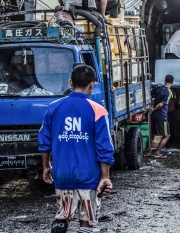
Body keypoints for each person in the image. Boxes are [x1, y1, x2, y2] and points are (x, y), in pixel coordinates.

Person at [38, 65, 114, 233]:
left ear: (70, 82)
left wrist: (46, 166)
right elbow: (104, 148)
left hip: (63, 175)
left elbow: (45, 141)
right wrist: (105, 177)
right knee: (86, 221)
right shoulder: (98, 110)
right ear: (92, 84)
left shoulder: (54, 107)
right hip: (89, 176)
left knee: (62, 215)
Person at [145, 75, 174, 159]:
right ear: (172, 82)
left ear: (164, 81)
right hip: (162, 116)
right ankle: (157, 153)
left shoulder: (158, 88)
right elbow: (161, 104)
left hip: (154, 116)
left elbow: (149, 93)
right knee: (167, 135)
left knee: (153, 134)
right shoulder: (169, 92)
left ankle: (147, 152)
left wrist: (151, 107)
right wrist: (154, 109)